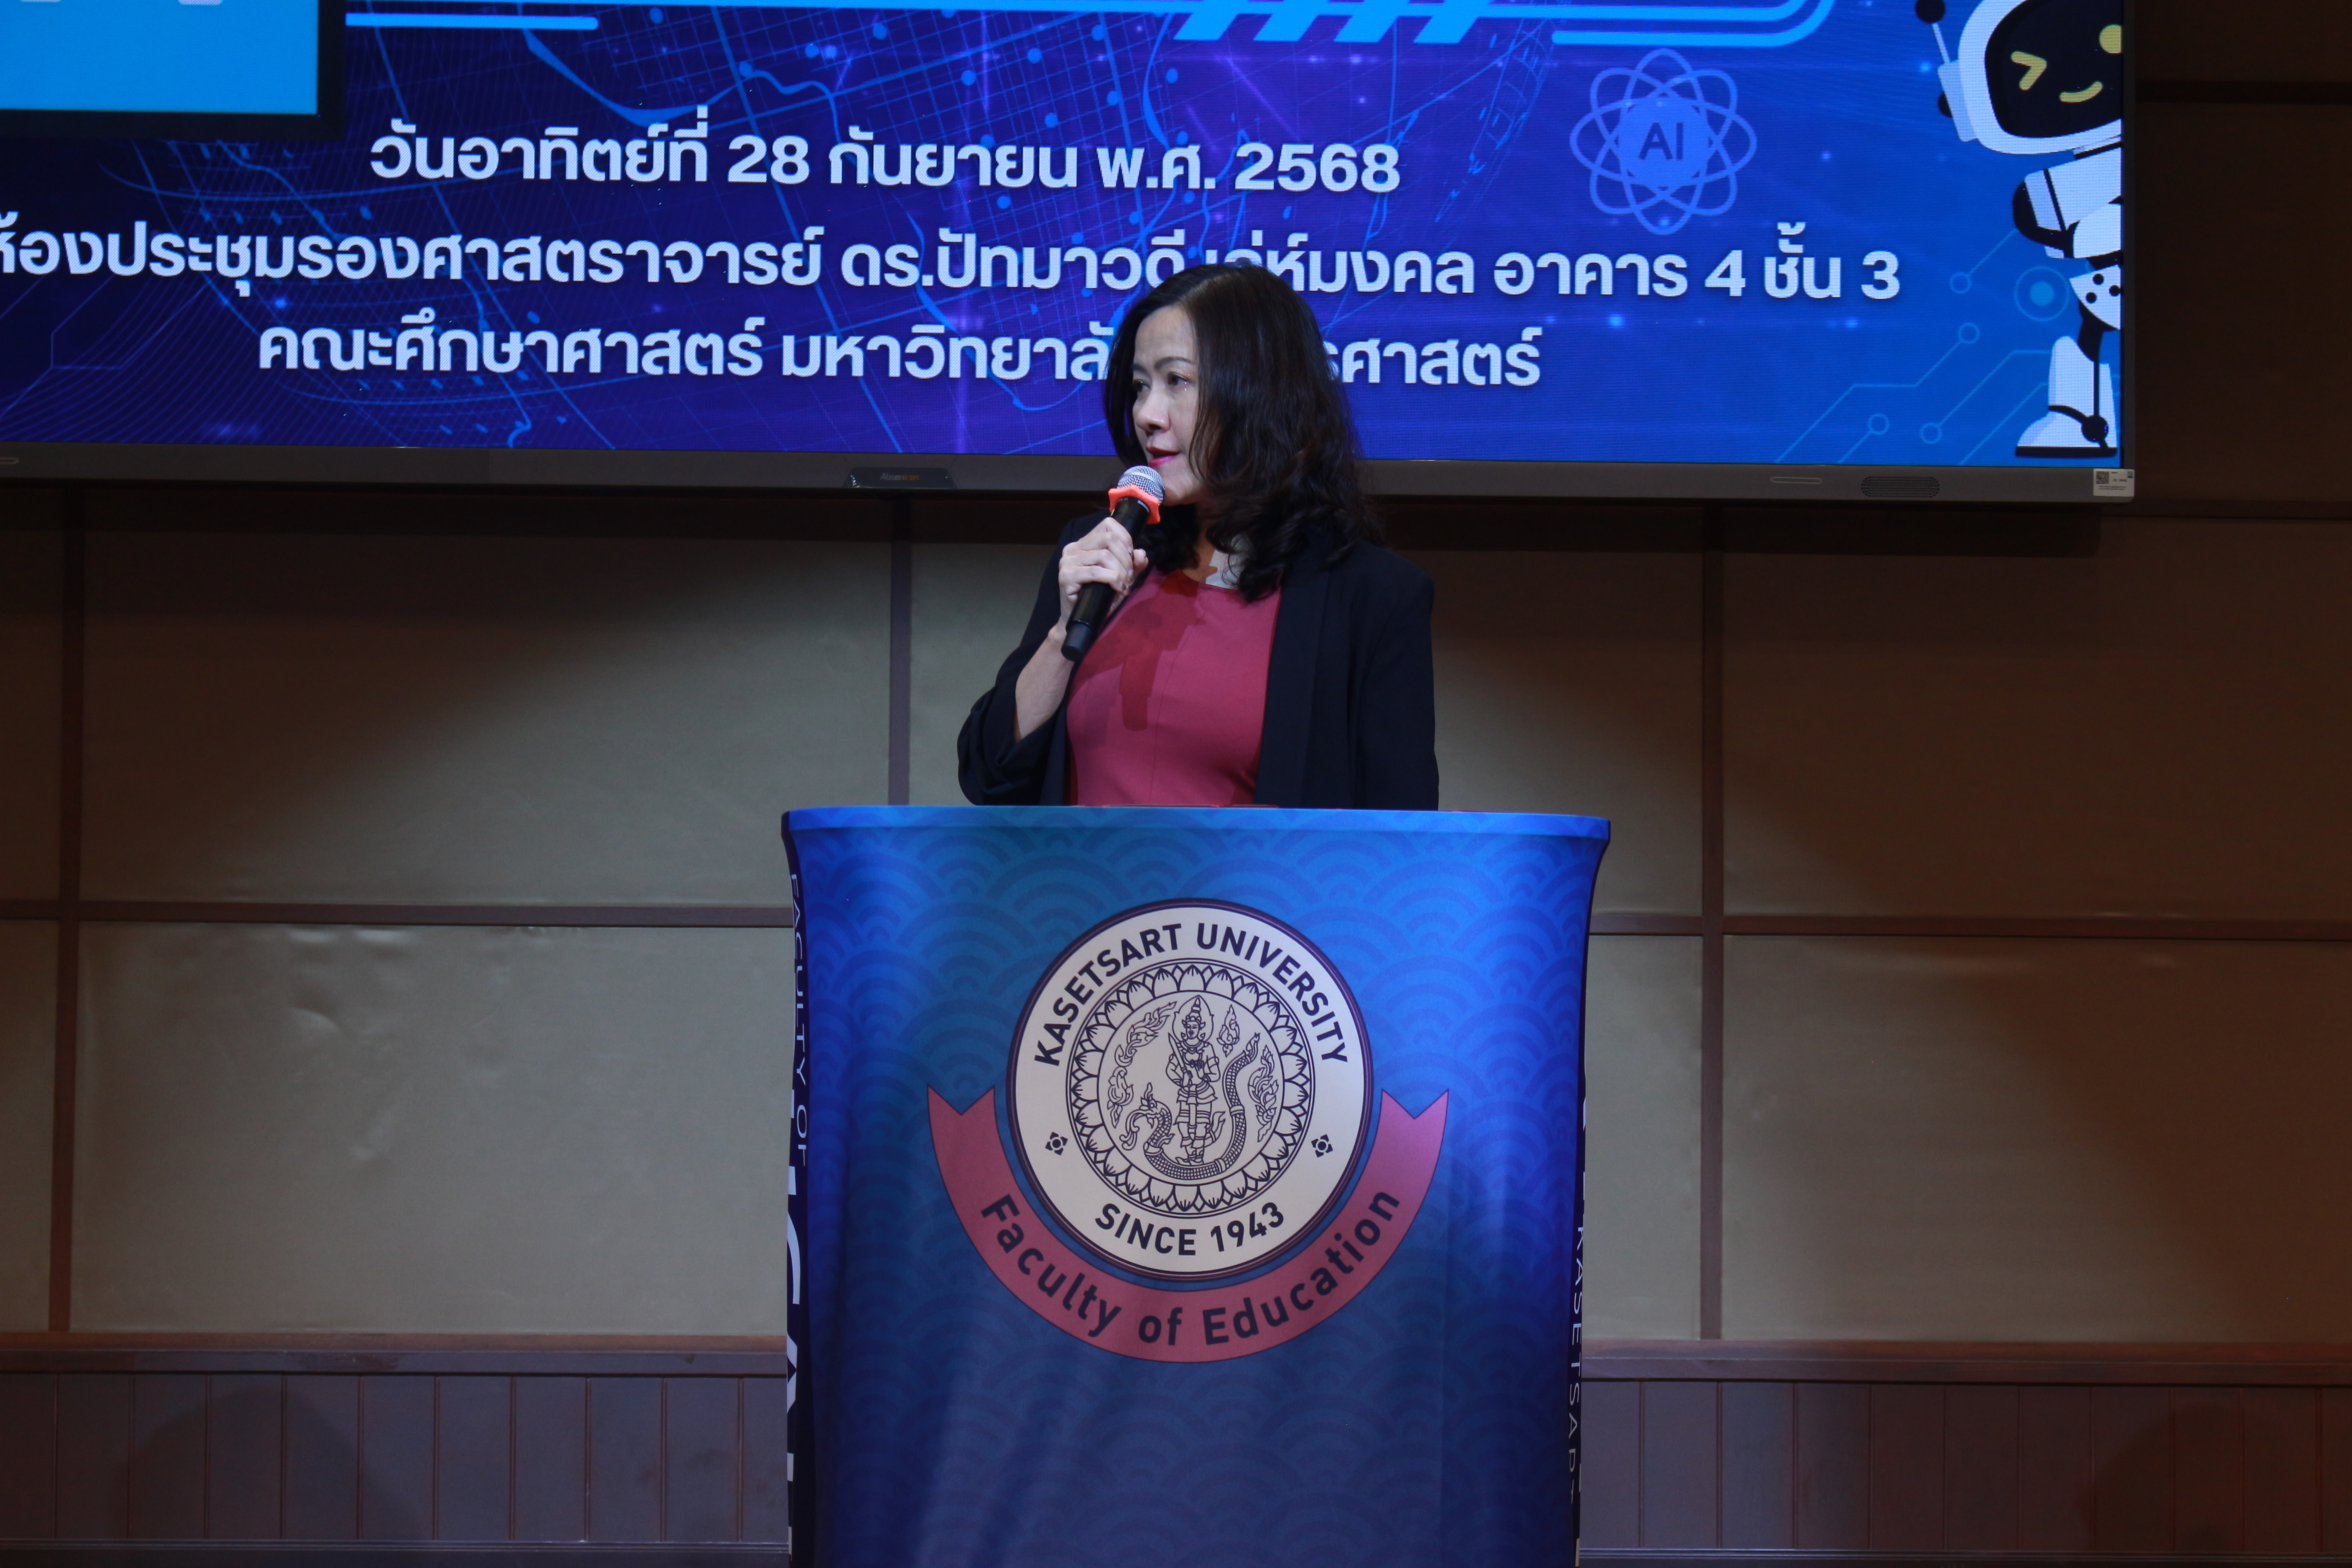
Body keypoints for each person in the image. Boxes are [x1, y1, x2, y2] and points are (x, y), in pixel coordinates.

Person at [956, 264, 1438, 809]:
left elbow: (1401, 837)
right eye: (1140, 386)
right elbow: (987, 776)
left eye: (1177, 381)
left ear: (1262, 395)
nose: (1147, 414)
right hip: (1078, 871)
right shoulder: (1103, 549)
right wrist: (1062, 635)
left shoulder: (1373, 597)